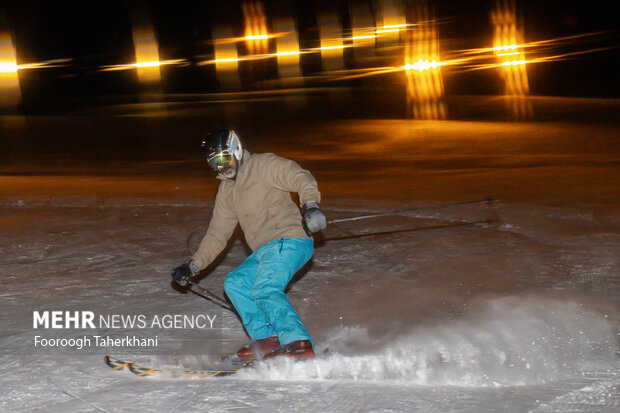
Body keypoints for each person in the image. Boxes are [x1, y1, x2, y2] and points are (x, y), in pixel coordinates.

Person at [171, 129, 327, 361]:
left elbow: (299, 176)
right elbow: (217, 233)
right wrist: (193, 265)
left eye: (224, 159)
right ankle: (269, 338)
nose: (221, 167)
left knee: (265, 289)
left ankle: (298, 342)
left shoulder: (263, 165)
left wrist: (310, 206)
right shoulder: (227, 190)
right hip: (266, 251)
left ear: (236, 150)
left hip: (290, 239)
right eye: (214, 164)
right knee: (235, 283)